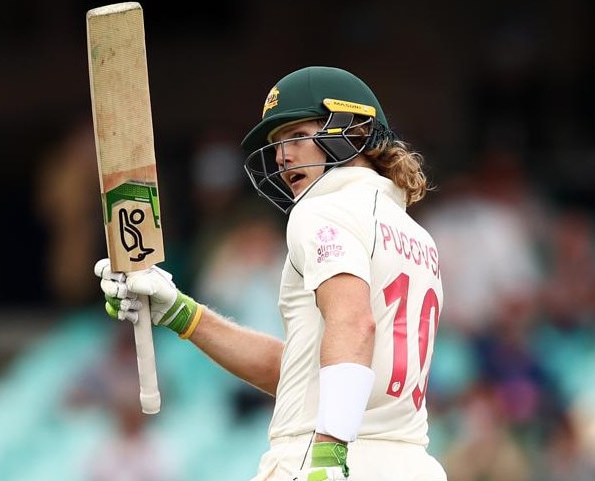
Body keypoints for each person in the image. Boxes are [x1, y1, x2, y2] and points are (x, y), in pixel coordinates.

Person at [95, 66, 447, 481]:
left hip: (326, 458)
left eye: (297, 135)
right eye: (278, 144)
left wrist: (329, 457)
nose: (282, 157)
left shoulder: (322, 209)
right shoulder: (415, 235)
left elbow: (353, 323)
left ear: (353, 131)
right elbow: (304, 372)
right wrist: (180, 312)